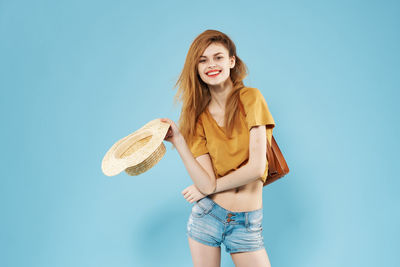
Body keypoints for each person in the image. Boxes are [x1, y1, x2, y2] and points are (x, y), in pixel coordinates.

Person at [160, 29, 275, 267]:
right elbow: (205, 181)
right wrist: (179, 141)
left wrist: (208, 188)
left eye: (218, 57)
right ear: (196, 68)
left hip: (246, 222)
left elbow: (256, 168)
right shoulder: (197, 118)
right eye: (203, 60)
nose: (211, 65)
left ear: (232, 61)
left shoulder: (251, 99)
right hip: (208, 216)